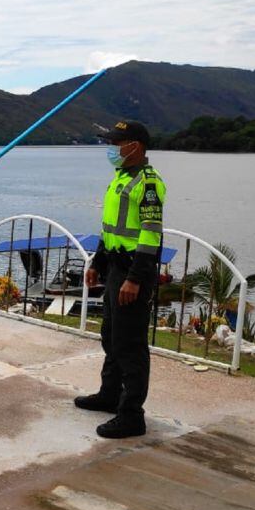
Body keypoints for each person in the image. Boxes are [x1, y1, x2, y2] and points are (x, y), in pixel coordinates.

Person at [76, 120, 166, 439]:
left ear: (135, 147)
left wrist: (135, 279)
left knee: (130, 345)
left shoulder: (149, 183)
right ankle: (109, 394)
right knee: (111, 335)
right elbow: (110, 227)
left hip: (132, 272)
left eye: (117, 143)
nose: (112, 149)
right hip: (114, 267)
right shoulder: (120, 179)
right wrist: (96, 263)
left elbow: (151, 234)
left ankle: (131, 414)